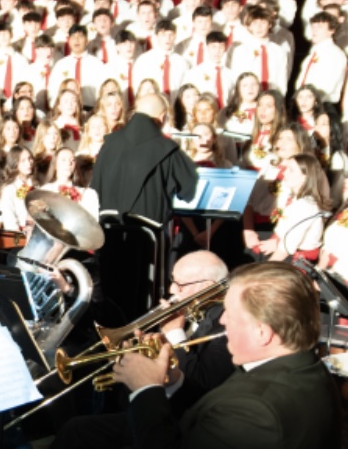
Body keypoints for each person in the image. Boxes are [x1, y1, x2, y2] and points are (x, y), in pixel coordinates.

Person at [113, 261, 342, 448]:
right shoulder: (299, 364)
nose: (222, 321)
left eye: (230, 314)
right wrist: (174, 381)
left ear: (262, 333)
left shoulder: (253, 411)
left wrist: (146, 389)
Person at [53, 250, 234, 449]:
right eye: (172, 280)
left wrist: (174, 333)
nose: (172, 289)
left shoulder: (227, 322)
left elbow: (202, 381)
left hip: (184, 421)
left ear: (207, 287)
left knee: (78, 431)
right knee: (76, 426)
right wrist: (155, 346)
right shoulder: (190, 309)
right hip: (156, 405)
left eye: (180, 285)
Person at [91, 93, 199, 318]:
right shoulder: (166, 148)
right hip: (146, 239)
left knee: (111, 296)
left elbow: (95, 189)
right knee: (141, 301)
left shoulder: (109, 144)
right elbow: (190, 190)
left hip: (108, 234)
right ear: (162, 117)